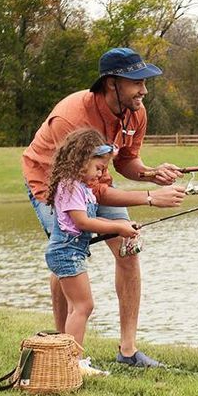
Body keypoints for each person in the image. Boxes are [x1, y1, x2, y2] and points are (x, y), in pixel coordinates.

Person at [22, 47, 185, 368]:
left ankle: (128, 351)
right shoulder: (72, 117)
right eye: (137, 82)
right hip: (52, 184)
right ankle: (62, 346)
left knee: (128, 246)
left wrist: (151, 174)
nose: (144, 90)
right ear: (112, 83)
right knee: (66, 255)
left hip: (96, 180)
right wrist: (150, 198)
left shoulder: (135, 112)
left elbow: (125, 161)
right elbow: (90, 191)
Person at [45, 129, 140, 377]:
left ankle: (71, 361)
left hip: (72, 251)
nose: (102, 173)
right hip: (66, 252)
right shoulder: (70, 187)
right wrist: (118, 226)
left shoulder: (82, 187)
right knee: (82, 306)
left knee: (82, 306)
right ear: (82, 160)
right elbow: (84, 222)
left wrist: (124, 228)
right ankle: (72, 363)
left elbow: (89, 220)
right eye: (99, 167)